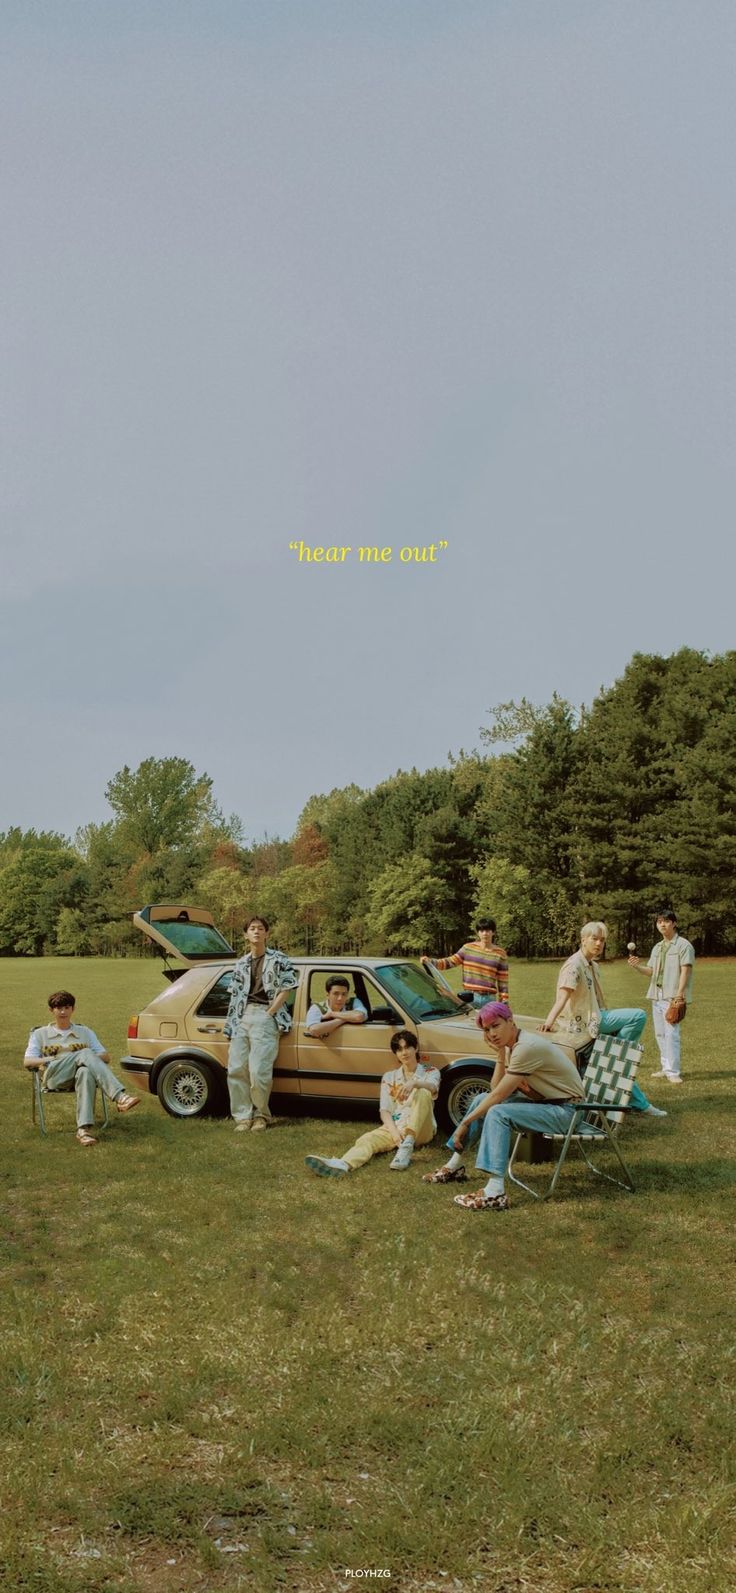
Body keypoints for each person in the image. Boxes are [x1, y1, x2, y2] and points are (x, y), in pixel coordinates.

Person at [423, 1001, 587, 1211]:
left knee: (498, 1112)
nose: (492, 1033)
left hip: (568, 1112)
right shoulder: (514, 1044)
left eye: (496, 1025)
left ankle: (495, 1191)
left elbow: (499, 1094)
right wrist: (500, 1053)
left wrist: (465, 1123)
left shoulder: (526, 1048)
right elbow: (494, 1090)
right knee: (482, 1099)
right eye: (487, 1029)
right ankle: (455, 1165)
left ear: (511, 1021)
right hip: (550, 1104)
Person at [539, 922, 666, 1118]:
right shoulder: (573, 965)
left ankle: (638, 1099)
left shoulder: (593, 965)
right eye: (594, 939)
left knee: (619, 1059)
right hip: (583, 1025)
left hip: (596, 1017)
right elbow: (562, 998)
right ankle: (623, 1065)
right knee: (637, 1016)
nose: (599, 943)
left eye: (602, 940)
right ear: (583, 940)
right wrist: (548, 1022)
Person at [305, 1030, 440, 1177]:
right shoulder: (389, 1077)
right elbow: (385, 1110)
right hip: (397, 1127)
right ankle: (343, 1164)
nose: (404, 1052)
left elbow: (433, 1088)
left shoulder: (431, 1071)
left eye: (407, 1047)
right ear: (395, 1053)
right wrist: (394, 1133)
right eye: (399, 1049)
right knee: (367, 1139)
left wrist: (415, 1083)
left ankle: (407, 1146)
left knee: (423, 1092)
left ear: (416, 1048)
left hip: (422, 1130)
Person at [24, 990, 139, 1147]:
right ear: (51, 1010)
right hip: (54, 1077)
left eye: (67, 1007)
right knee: (84, 1053)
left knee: (85, 1071)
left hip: (79, 1077)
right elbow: (28, 1061)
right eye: (58, 1008)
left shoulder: (85, 1032)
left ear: (73, 1009)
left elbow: (105, 1056)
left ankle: (83, 1131)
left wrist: (83, 1060)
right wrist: (56, 1059)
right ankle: (120, 1097)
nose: (63, 1012)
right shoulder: (39, 1034)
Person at [224, 915, 299, 1132]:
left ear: (267, 933)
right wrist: (230, 1025)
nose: (256, 932)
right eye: (252, 928)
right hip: (241, 1017)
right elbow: (235, 997)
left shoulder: (279, 959)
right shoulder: (240, 963)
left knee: (258, 1071)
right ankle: (242, 1117)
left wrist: (270, 1012)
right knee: (236, 1069)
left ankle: (261, 1115)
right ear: (246, 934)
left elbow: (287, 987)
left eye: (260, 928)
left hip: (266, 1016)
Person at [628, 911, 694, 1083]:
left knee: (671, 1034)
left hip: (672, 996)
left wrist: (679, 995)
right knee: (660, 1034)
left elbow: (685, 971)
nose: (662, 925)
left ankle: (674, 1072)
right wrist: (637, 967)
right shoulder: (657, 947)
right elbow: (651, 972)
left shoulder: (684, 945)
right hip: (656, 995)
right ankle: (665, 1068)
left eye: (666, 921)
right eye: (659, 922)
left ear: (674, 923)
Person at [421, 917, 509, 1008]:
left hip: (489, 999)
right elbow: (450, 962)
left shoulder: (500, 954)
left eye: (488, 930)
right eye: (481, 931)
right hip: (468, 997)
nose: (484, 934)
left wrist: (504, 1002)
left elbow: (503, 981)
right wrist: (430, 961)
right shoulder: (468, 948)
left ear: (493, 932)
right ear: (478, 932)